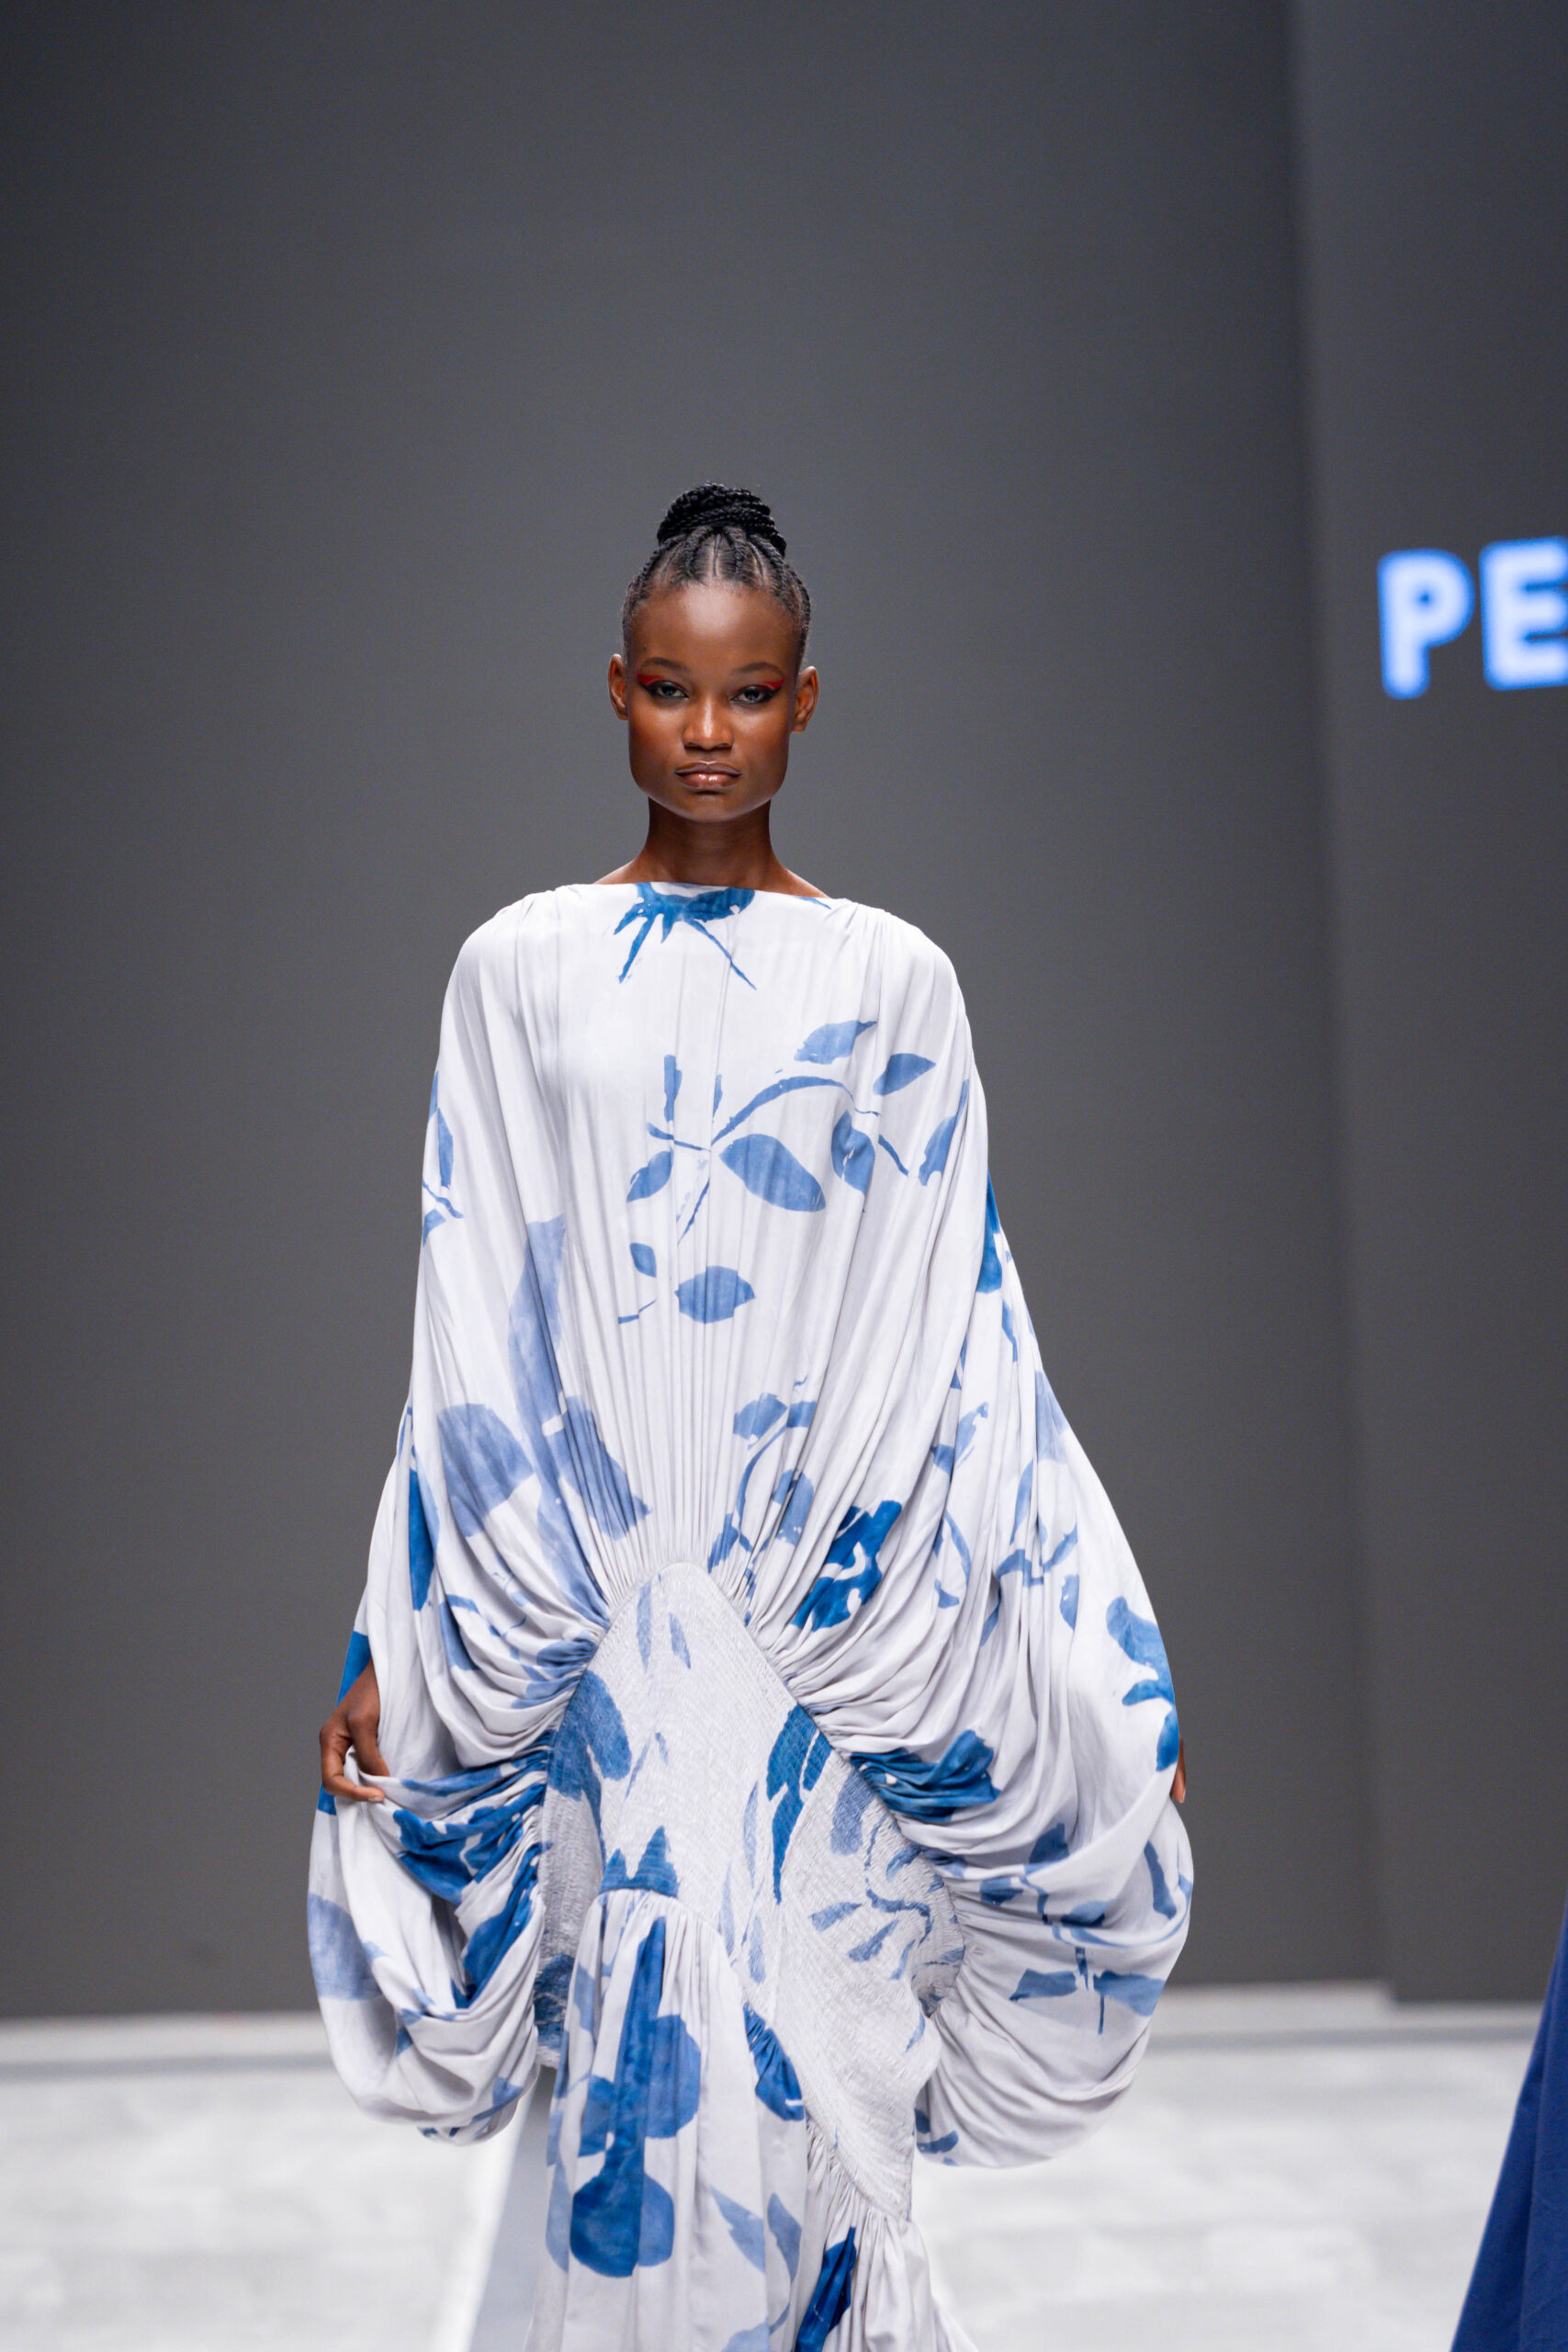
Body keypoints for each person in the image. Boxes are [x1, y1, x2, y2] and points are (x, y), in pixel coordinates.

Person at [310, 483, 1192, 2351]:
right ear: (614, 690)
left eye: (747, 690)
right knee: (633, 2098)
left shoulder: (895, 980)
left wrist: (1090, 1673)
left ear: (805, 700)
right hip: (599, 1621)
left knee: (822, 2095)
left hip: (829, 1631)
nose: (706, 730)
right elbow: (470, 1330)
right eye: (668, 687)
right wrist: (395, 1633)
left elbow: (967, 1344)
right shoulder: (516, 967)